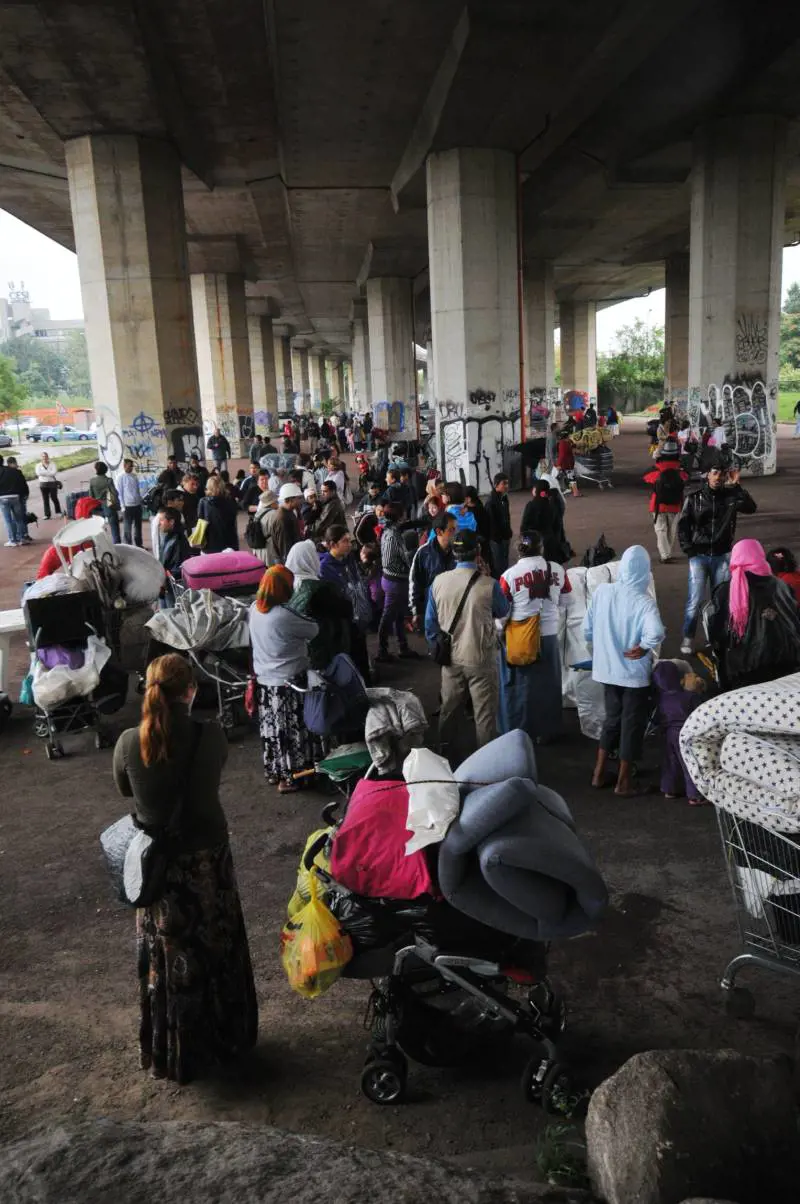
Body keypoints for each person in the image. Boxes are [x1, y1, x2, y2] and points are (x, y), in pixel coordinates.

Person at [112, 653, 257, 1082]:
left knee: (170, 955)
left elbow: (124, 788)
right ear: (190, 691)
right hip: (208, 858)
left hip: (159, 866)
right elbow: (210, 780)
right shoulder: (211, 736)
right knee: (219, 946)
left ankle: (176, 1051)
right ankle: (229, 1038)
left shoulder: (127, 743)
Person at [585, 545, 665, 797]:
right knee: (631, 724)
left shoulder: (603, 592)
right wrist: (643, 648)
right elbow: (657, 632)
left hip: (606, 669)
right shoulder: (644, 602)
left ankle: (598, 774)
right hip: (633, 674)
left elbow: (587, 629)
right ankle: (623, 782)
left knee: (612, 720)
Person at [426, 528, 510, 753]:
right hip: (481, 658)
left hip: (451, 659)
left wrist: (440, 647)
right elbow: (503, 610)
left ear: (454, 554)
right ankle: (485, 766)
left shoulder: (438, 582)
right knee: (485, 717)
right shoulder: (489, 584)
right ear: (478, 552)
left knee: (449, 711)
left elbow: (430, 624)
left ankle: (443, 756)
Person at [249, 564, 326, 792]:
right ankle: (294, 777)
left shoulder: (255, 609)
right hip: (288, 684)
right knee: (294, 734)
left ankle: (275, 771)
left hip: (266, 684)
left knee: (274, 732)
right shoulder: (283, 615)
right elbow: (314, 630)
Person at [677, 456, 757, 655]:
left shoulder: (731, 496)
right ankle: (688, 636)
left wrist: (737, 485)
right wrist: (689, 550)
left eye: (721, 474)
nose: (718, 477)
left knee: (720, 599)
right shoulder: (693, 498)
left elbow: (751, 508)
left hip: (722, 554)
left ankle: (715, 637)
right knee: (694, 599)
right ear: (707, 476)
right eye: (714, 473)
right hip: (699, 555)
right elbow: (683, 526)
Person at [497, 530, 572, 744]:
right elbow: (567, 601)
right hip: (548, 635)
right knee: (548, 686)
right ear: (541, 548)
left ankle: (517, 732)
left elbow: (502, 611)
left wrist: (500, 631)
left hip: (518, 637)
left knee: (518, 686)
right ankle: (547, 731)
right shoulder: (557, 569)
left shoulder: (509, 575)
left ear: (518, 550)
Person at [704, 539, 800, 693]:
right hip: (788, 664)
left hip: (745, 670)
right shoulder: (783, 586)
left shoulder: (727, 591)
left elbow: (718, 633)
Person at [285, 539, 352, 669]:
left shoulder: (287, 585)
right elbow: (346, 610)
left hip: (302, 649)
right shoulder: (321, 589)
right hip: (326, 647)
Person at [319, 525, 372, 682]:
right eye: (345, 541)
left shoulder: (349, 559)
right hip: (343, 622)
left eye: (349, 540)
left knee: (361, 655)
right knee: (350, 657)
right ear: (332, 544)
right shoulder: (326, 568)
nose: (350, 544)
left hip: (358, 618)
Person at [652, 661, 706, 806]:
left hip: (669, 734)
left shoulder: (661, 699)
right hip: (686, 734)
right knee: (689, 763)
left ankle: (670, 789)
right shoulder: (689, 697)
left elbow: (657, 719)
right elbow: (700, 714)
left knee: (671, 762)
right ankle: (695, 795)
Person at [377, 503, 418, 663]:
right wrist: (414, 557)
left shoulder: (387, 529)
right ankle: (382, 650)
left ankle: (403, 647)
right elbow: (398, 559)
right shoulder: (394, 535)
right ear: (399, 517)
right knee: (388, 617)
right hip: (395, 581)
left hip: (391, 579)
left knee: (399, 616)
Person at [643, 438, 689, 563]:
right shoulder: (681, 471)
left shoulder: (656, 470)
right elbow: (686, 479)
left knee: (660, 530)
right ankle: (667, 552)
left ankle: (665, 554)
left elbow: (646, 478)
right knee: (671, 530)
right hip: (675, 505)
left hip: (658, 505)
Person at [409, 511, 457, 630]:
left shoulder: (459, 551)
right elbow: (415, 583)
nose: (456, 533)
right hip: (432, 611)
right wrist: (416, 611)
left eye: (456, 528)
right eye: (451, 529)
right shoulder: (423, 553)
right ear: (439, 531)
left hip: (455, 611)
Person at [263, 482, 302, 564]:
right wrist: (289, 563)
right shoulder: (282, 518)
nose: (300, 501)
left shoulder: (288, 512)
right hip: (286, 560)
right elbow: (284, 547)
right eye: (298, 498)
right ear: (290, 499)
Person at [198, 474, 239, 553]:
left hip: (209, 543)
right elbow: (233, 521)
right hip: (228, 542)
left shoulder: (203, 502)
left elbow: (200, 521)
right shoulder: (230, 501)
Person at [520, 481, 559, 559]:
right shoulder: (551, 504)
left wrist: (525, 543)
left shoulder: (531, 505)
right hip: (549, 540)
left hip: (534, 541)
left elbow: (525, 527)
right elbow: (556, 525)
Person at [485, 473, 513, 576]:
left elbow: (506, 517)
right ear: (496, 484)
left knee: (504, 563)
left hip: (505, 537)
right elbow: (491, 523)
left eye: (507, 483)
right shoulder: (491, 502)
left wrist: (508, 533)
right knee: (498, 565)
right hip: (497, 540)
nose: (506, 486)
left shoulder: (504, 498)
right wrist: (497, 538)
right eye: (504, 483)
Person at [0, 454, 30, 547]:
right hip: (16, 496)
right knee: (19, 519)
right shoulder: (14, 471)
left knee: (8, 520)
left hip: (3, 497)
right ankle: (22, 538)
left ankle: (13, 540)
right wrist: (24, 495)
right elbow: (22, 484)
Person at [88, 461, 121, 543]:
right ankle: (117, 546)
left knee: (99, 531)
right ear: (105, 470)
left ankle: (101, 547)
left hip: (97, 508)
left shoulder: (92, 481)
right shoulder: (109, 480)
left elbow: (90, 496)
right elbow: (115, 493)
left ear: (96, 470)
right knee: (114, 529)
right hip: (109, 505)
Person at [117, 459, 144, 547]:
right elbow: (120, 493)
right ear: (124, 466)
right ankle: (129, 546)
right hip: (127, 506)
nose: (131, 468)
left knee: (138, 526)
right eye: (129, 466)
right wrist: (122, 507)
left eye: (132, 466)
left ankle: (139, 544)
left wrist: (140, 502)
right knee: (127, 528)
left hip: (137, 504)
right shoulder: (120, 477)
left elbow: (137, 490)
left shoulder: (134, 476)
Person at [35, 451, 62, 520]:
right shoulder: (38, 465)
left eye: (46, 456)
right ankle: (47, 514)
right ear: (41, 458)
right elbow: (38, 473)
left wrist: (44, 473)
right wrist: (49, 473)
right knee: (45, 499)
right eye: (43, 456)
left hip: (52, 483)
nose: (44, 458)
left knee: (54, 498)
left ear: (48, 457)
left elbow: (54, 472)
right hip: (43, 484)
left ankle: (58, 512)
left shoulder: (52, 464)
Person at [177, 472, 201, 536]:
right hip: (184, 532)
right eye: (192, 484)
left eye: (197, 484)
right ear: (184, 482)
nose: (195, 487)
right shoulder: (177, 497)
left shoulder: (194, 495)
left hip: (193, 530)